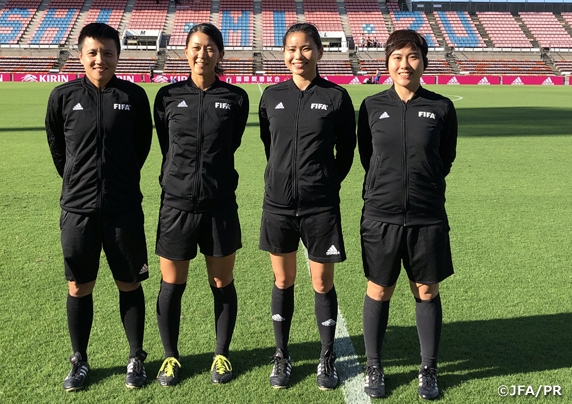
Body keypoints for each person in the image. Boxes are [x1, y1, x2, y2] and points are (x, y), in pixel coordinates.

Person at [45, 22, 153, 392]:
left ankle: (136, 356)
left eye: (107, 52)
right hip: (78, 210)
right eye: (92, 52)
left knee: (129, 283)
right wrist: (78, 180)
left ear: (118, 56)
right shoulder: (62, 96)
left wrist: (117, 180)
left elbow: (141, 147)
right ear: (80, 55)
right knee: (79, 287)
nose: (100, 59)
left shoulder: (134, 96)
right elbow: (58, 147)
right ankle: (79, 359)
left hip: (123, 209)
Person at [357, 29, 458, 400]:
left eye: (412, 56)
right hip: (380, 215)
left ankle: (428, 369)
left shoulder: (442, 107)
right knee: (379, 289)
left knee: (427, 291)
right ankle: (374, 365)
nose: (404, 64)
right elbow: (369, 157)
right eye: (397, 57)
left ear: (423, 62)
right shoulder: (370, 106)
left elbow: (444, 158)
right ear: (387, 62)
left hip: (426, 215)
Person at [258, 22, 356, 391]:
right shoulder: (271, 95)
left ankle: (326, 356)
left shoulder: (336, 97)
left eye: (305, 48)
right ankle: (281, 356)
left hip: (320, 207)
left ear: (319, 51)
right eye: (291, 49)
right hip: (279, 205)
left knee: (321, 282)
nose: (298, 56)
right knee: (283, 279)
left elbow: (346, 151)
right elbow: (271, 145)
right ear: (283, 54)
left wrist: (326, 181)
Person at [153, 23, 249, 387]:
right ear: (185, 51)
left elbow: (232, 143)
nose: (202, 54)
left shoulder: (236, 98)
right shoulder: (167, 96)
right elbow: (167, 146)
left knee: (221, 281)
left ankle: (221, 354)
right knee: (171, 284)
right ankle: (170, 357)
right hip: (176, 205)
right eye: (195, 47)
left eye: (210, 48)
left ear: (220, 53)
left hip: (220, 205)